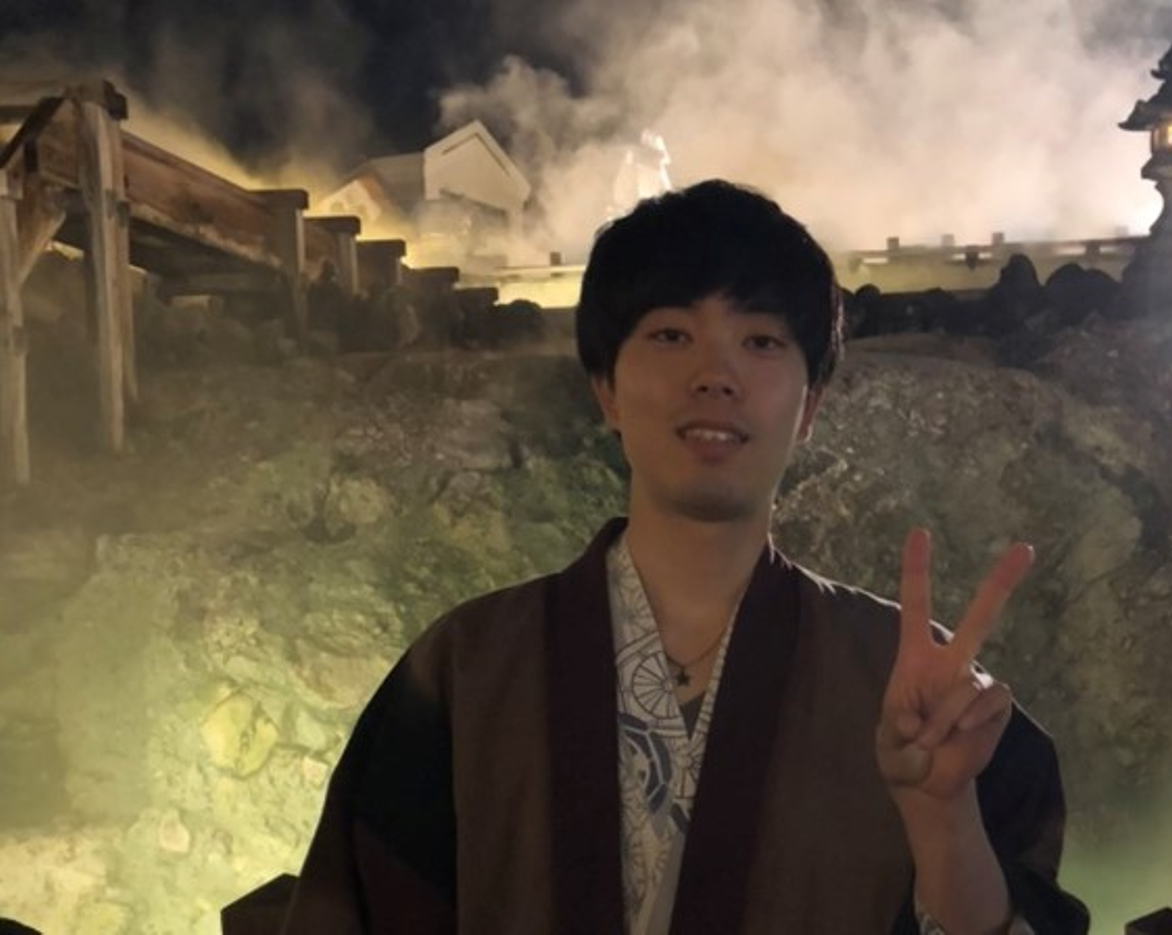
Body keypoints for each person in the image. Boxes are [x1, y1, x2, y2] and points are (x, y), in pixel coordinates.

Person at [281, 180, 1090, 934]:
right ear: (605, 387)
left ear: (809, 405)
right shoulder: (467, 670)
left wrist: (942, 817)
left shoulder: (918, 691)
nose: (716, 375)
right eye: (671, 334)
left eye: (761, 340)